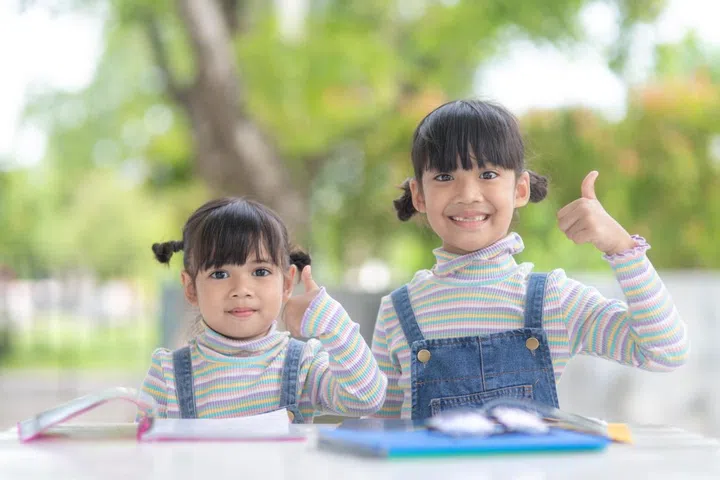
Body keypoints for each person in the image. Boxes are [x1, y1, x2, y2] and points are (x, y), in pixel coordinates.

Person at [371, 99, 689, 420]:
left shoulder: (554, 299)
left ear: (520, 189)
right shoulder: (396, 311)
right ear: (419, 195)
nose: (468, 194)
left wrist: (621, 248)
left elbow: (665, 351)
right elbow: (377, 428)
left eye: (488, 173)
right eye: (443, 176)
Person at [139, 197, 386, 422]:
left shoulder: (303, 364)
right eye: (220, 274)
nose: (241, 289)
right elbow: (145, 457)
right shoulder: (168, 374)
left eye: (260, 272)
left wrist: (331, 321)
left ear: (287, 283)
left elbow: (367, 398)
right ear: (191, 288)